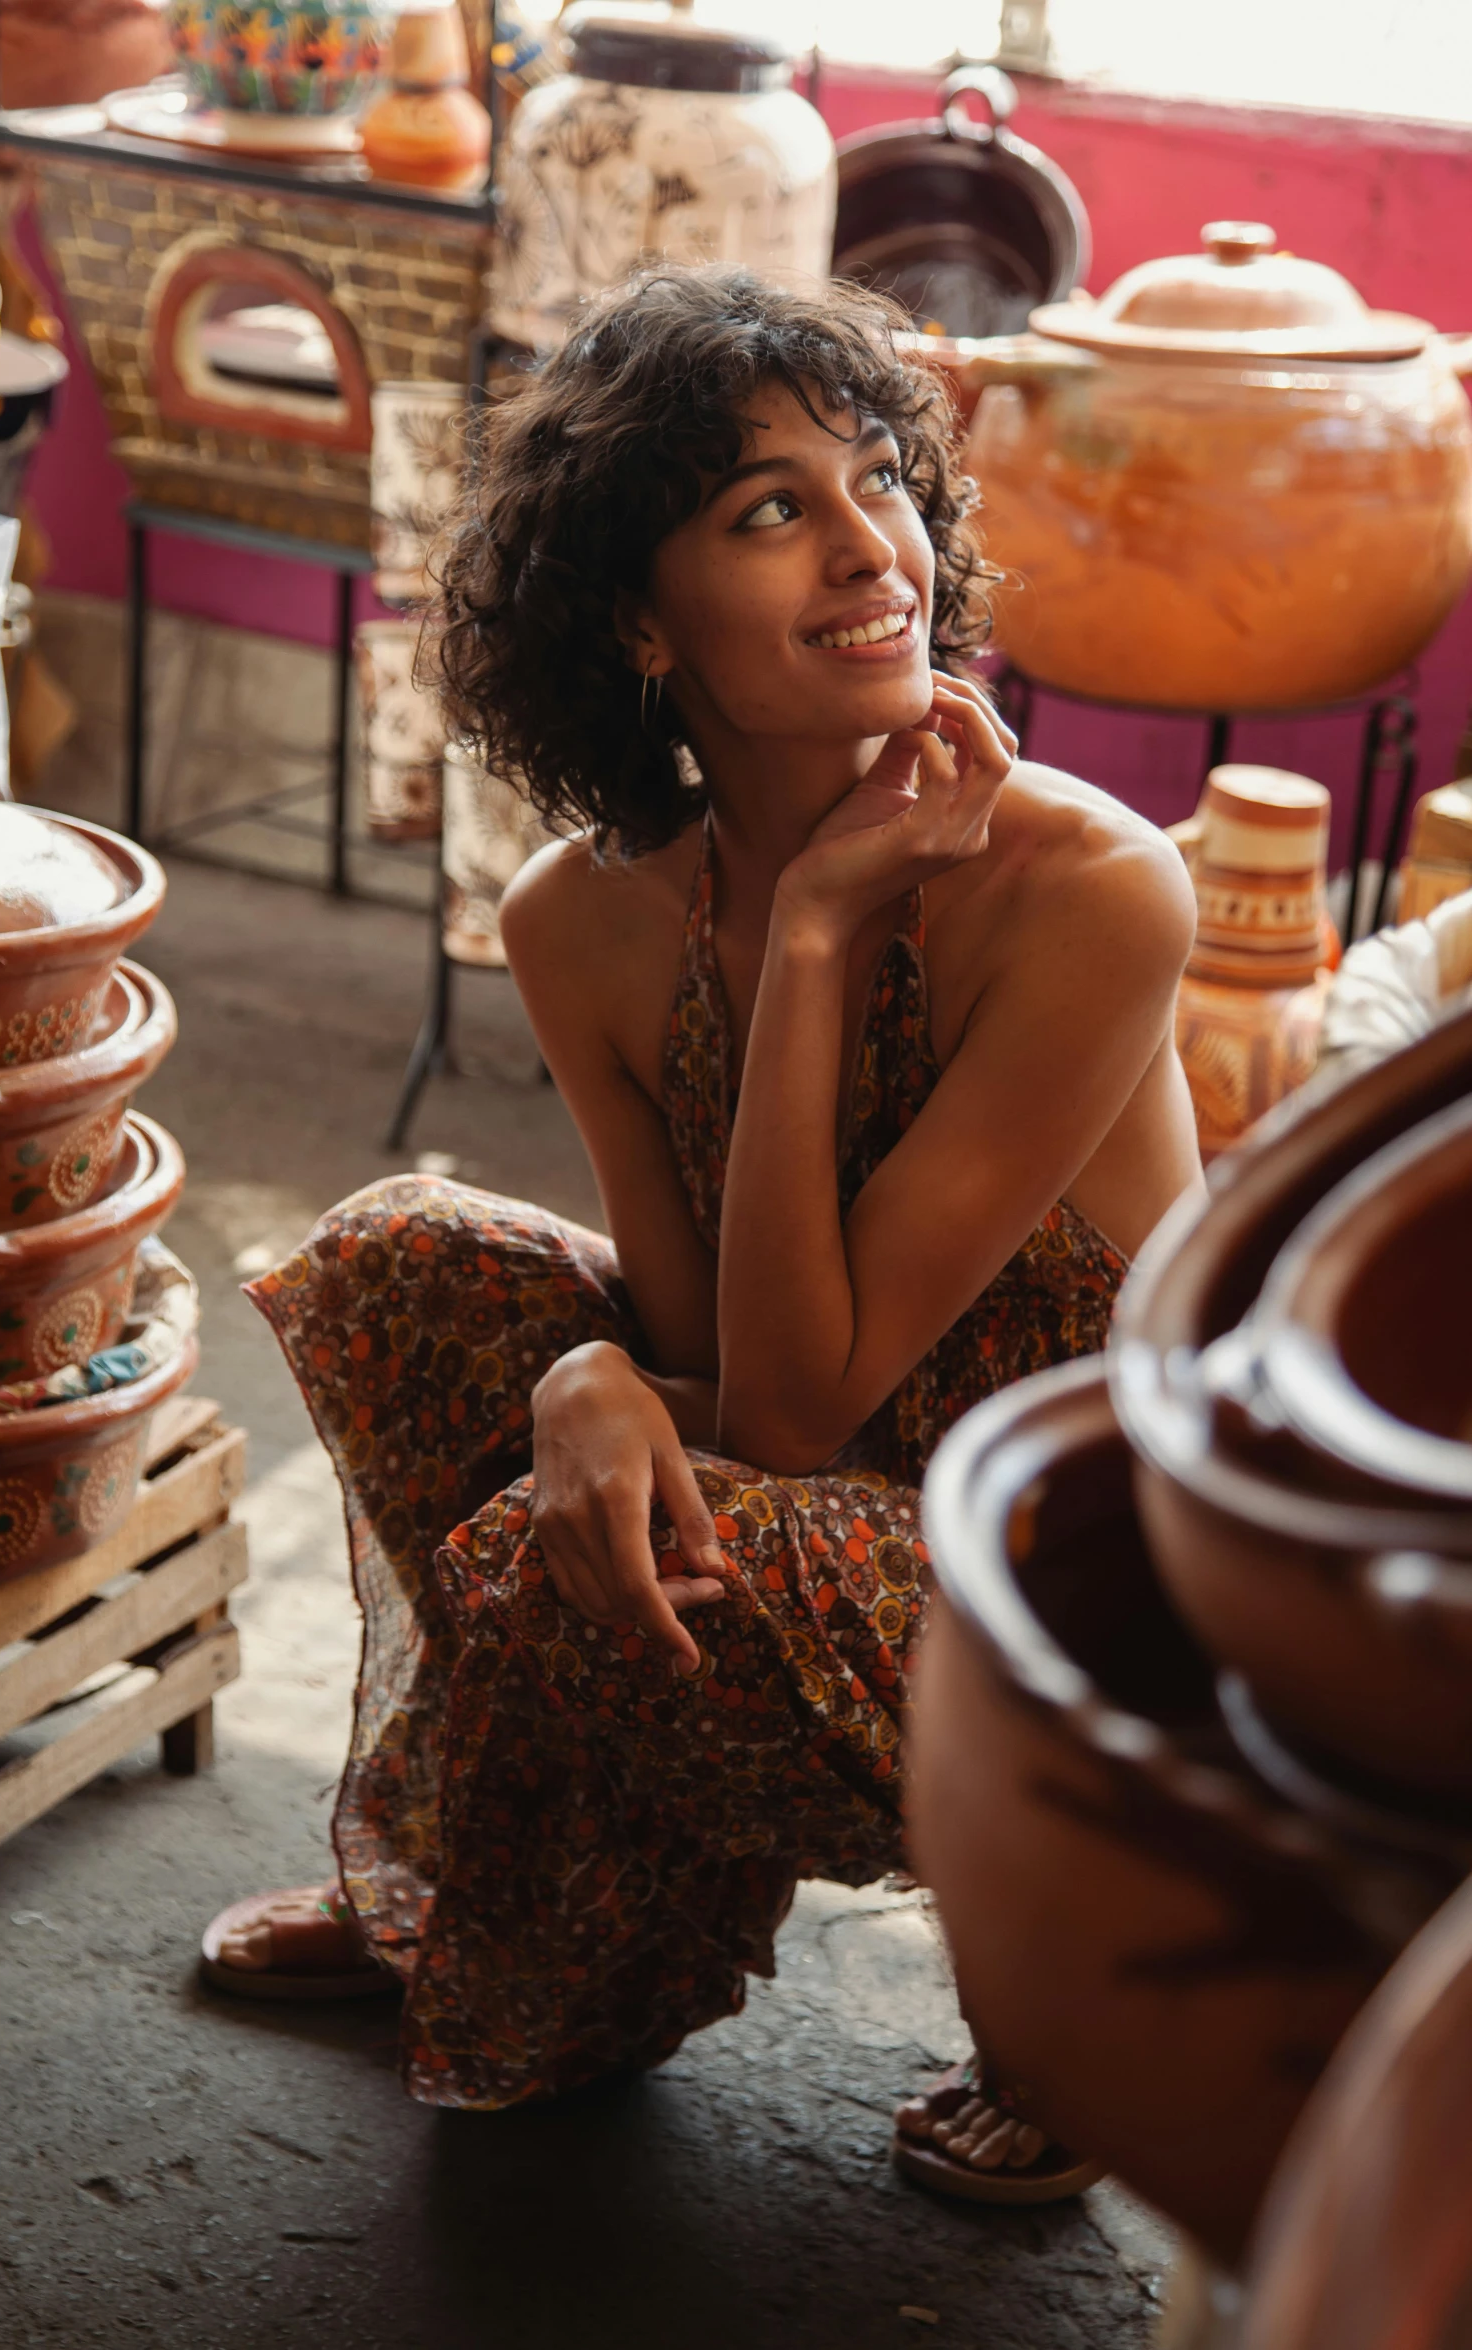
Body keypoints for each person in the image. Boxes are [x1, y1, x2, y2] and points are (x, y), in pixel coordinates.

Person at [200, 265, 1202, 2204]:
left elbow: (801, 1418)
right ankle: (497, 1872)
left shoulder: (1089, 888)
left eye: (880, 477)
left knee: (622, 1538)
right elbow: (714, 1346)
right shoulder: (589, 916)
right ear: (639, 624)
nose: (870, 544)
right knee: (406, 1256)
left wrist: (822, 933)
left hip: (1086, 1575)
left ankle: (1077, 1994)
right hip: (830, 1455)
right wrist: (591, 1369)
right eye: (772, 508)